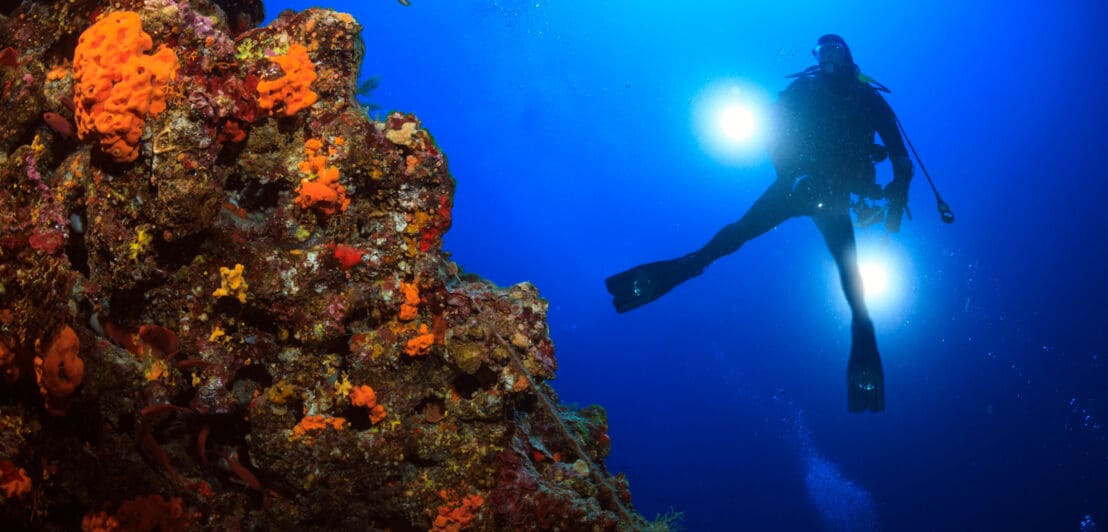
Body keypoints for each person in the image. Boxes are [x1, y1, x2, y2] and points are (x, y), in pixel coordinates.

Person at [605, 34, 913, 413]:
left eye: (836, 51)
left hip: (834, 197)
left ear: (849, 56)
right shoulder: (805, 89)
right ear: (816, 57)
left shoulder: (869, 99)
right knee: (738, 233)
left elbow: (902, 159)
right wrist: (790, 171)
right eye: (822, 52)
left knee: (850, 270)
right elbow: (771, 128)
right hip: (797, 185)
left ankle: (864, 336)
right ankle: (685, 267)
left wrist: (898, 198)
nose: (829, 58)